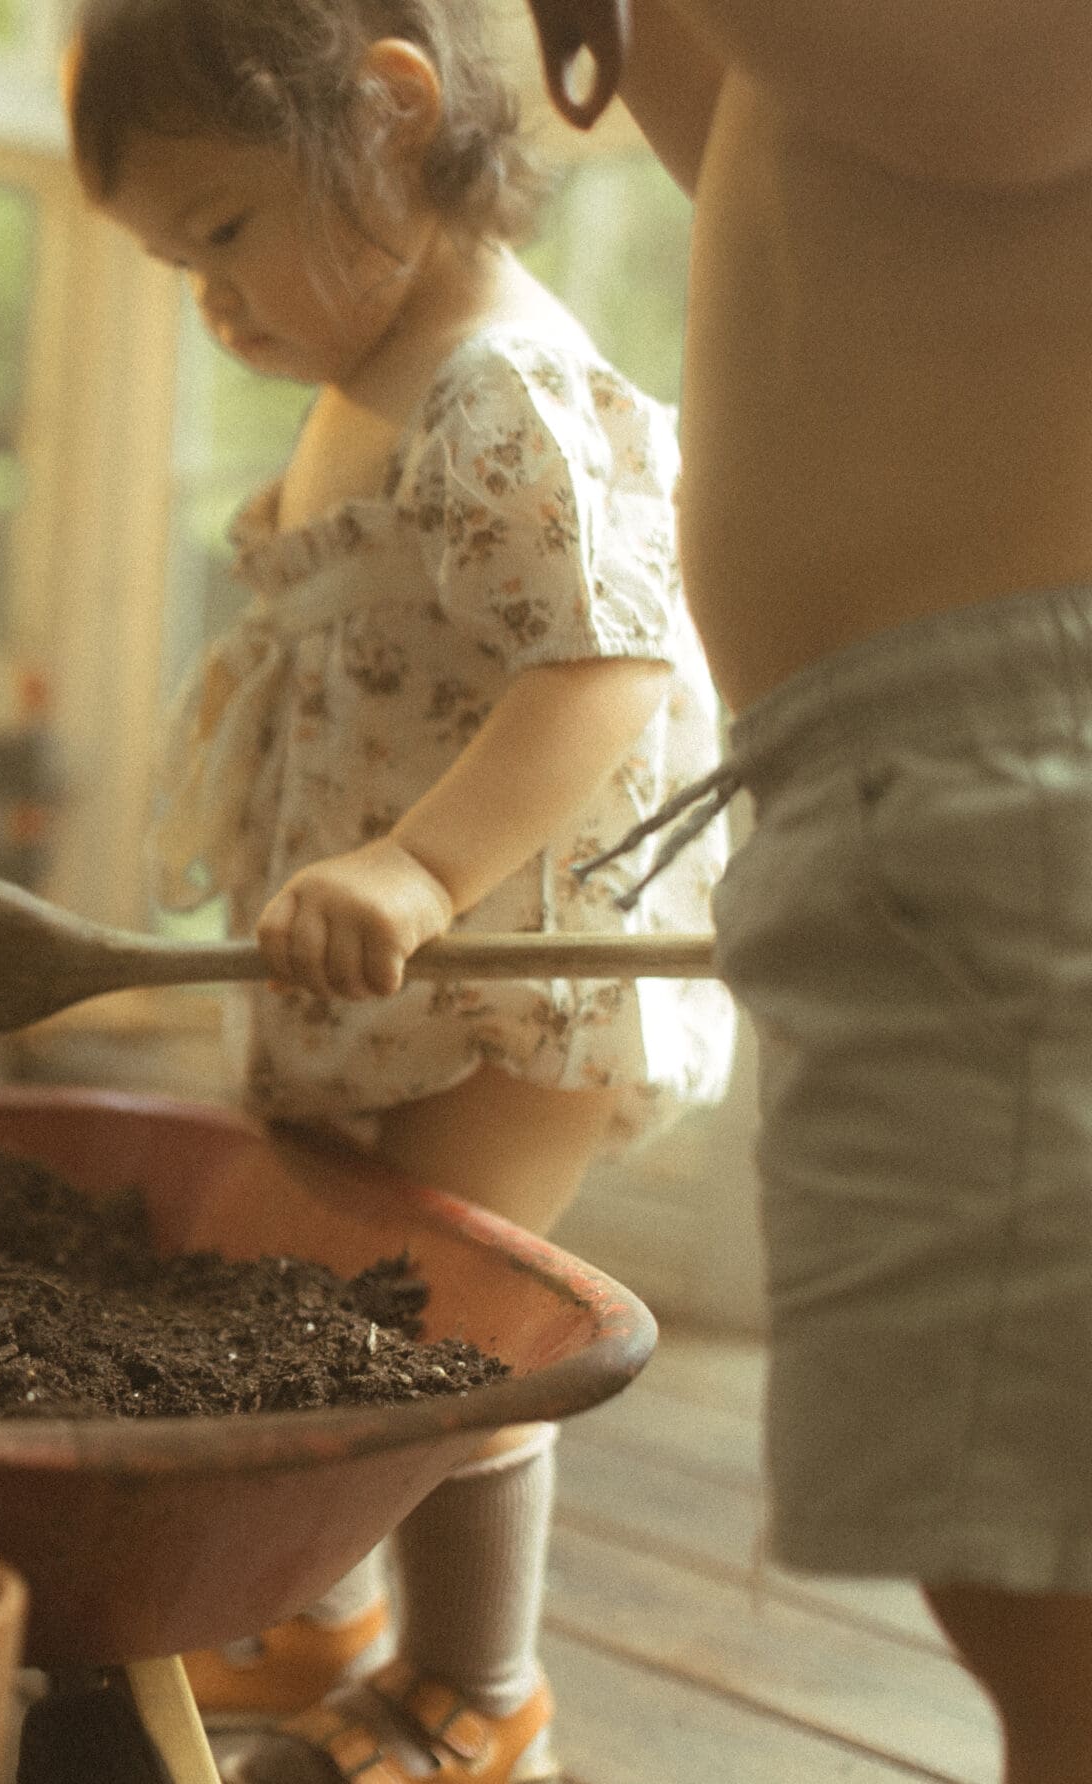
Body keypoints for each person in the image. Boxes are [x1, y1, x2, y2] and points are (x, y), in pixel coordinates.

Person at [66, 0, 737, 1776]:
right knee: (336, 1290)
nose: (207, 300)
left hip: (511, 957)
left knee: (454, 1328)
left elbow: (603, 663)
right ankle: (328, 1604)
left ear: (387, 117)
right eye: (171, 261)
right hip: (395, 970)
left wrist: (423, 861)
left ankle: (483, 1689)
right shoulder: (373, 383)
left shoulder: (494, 378)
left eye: (220, 229)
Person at [533, 3, 1092, 1779]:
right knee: (1011, 1541)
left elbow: (1020, 87)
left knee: (1049, 1566)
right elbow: (774, 148)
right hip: (918, 787)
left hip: (998, 774)